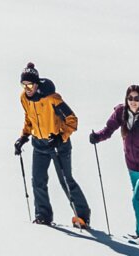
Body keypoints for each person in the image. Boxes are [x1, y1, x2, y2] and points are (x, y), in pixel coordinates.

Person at [14, 62, 91, 229]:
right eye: (23, 84)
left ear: (37, 83)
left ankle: (83, 216)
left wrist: (60, 136)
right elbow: (29, 118)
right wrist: (23, 137)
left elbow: (72, 120)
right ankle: (43, 215)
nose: (27, 88)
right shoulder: (24, 98)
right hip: (39, 144)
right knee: (38, 181)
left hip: (59, 145)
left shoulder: (52, 98)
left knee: (66, 180)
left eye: (30, 84)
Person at [90, 84, 139, 245]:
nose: (133, 101)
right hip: (132, 165)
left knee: (138, 198)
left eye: (136, 98)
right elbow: (108, 129)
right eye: (130, 98)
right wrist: (97, 137)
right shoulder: (121, 112)